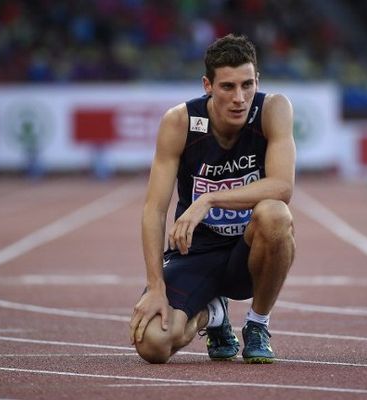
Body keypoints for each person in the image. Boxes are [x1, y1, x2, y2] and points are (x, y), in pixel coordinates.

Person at [128, 34, 296, 364]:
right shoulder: (180, 122)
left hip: (249, 253)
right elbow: (154, 208)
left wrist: (209, 199)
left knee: (275, 214)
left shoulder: (273, 110)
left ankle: (257, 323)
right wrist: (155, 287)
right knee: (153, 345)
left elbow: (282, 187)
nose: (239, 98)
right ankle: (214, 315)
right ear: (208, 85)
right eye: (228, 87)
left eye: (247, 85)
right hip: (196, 252)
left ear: (257, 81)